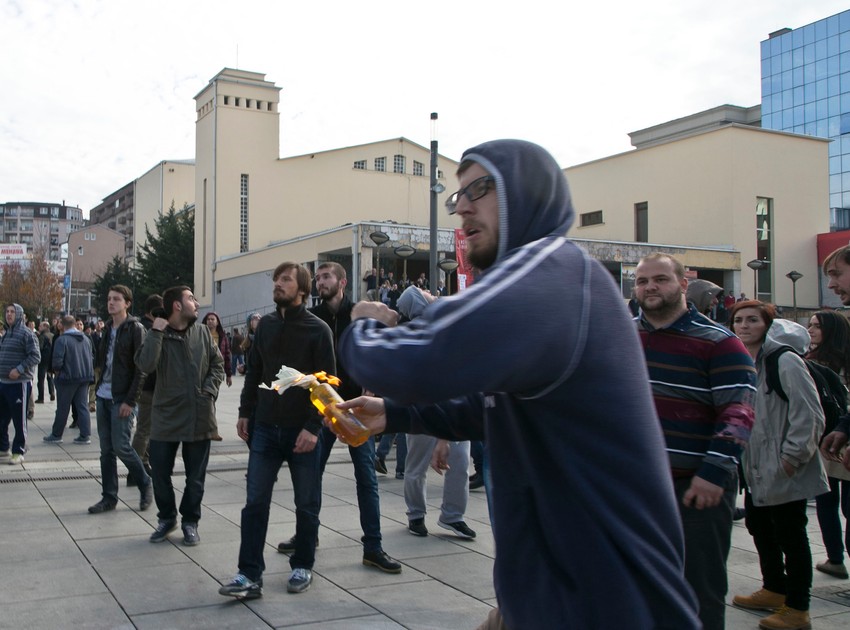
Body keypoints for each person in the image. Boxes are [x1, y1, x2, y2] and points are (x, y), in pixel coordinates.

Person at [335, 140, 699, 629]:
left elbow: (412, 360)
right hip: (561, 590)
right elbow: (491, 404)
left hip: (608, 597)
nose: (462, 205)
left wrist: (363, 323)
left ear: (527, 194)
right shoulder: (552, 278)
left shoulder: (550, 273)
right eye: (457, 196)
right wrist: (397, 413)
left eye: (479, 188)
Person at [634, 253, 756, 630]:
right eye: (642, 281)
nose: (650, 287)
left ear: (683, 284)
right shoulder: (622, 335)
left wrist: (713, 473)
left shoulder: (720, 343)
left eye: (660, 279)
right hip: (636, 488)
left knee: (699, 592)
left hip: (695, 489)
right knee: (638, 587)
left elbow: (739, 414)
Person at [274, 261, 401, 573]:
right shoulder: (313, 318)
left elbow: (387, 346)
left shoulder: (360, 312)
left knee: (366, 479)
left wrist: (375, 389)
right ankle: (308, 535)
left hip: (358, 408)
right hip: (325, 409)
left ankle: (373, 546)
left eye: (327, 277)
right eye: (317, 278)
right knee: (311, 475)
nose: (321, 282)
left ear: (342, 282)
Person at [219, 262, 334, 599]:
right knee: (254, 502)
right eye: (276, 280)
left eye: (286, 280)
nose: (278, 285)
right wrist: (244, 412)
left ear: (302, 289)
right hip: (266, 429)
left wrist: (314, 428)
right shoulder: (266, 326)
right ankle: (248, 574)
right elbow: (254, 372)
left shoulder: (318, 330)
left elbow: (326, 385)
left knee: (306, 503)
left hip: (303, 431)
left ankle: (303, 564)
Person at [729, 301, 828, 630]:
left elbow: (809, 414)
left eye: (752, 320)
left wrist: (790, 459)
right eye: (738, 320)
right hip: (756, 467)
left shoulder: (784, 361)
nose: (744, 326)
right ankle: (774, 588)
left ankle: (798, 608)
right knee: (761, 530)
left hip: (783, 466)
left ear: (767, 325)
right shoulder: (745, 362)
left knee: (792, 537)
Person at [136, 286, 224, 545]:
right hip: (166, 414)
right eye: (191, 299)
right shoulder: (157, 334)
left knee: (195, 477)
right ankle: (167, 518)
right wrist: (156, 332)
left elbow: (217, 364)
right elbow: (145, 364)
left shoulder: (202, 333)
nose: (197, 303)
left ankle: (190, 521)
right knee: (160, 472)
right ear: (176, 305)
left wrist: (208, 391)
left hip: (199, 413)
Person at [88, 285, 152, 515]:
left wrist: (130, 401)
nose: (111, 302)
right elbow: (104, 363)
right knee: (106, 451)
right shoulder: (107, 328)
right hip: (104, 396)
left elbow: (141, 369)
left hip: (122, 398)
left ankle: (145, 482)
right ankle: (109, 497)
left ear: (127, 303)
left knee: (122, 447)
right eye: (109, 299)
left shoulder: (136, 329)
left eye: (116, 299)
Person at [807, 310, 850, 579]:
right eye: (809, 325)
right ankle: (835, 557)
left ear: (831, 330)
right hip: (836, 435)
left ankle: (836, 558)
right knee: (835, 502)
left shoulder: (813, 362)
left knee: (829, 501)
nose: (810, 330)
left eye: (817, 326)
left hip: (831, 436)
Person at [43, 315, 94, 445]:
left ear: (62, 325)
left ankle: (56, 434)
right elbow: (91, 357)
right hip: (84, 377)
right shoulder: (85, 339)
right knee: (82, 406)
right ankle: (85, 435)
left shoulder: (62, 339)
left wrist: (57, 372)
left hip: (67, 378)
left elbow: (57, 361)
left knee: (62, 407)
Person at [128, 293, 162, 487]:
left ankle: (144, 463)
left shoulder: (142, 327)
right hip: (149, 386)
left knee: (148, 429)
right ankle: (136, 469)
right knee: (144, 430)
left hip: (148, 385)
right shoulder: (148, 329)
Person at [0, 303, 40, 465]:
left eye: (12, 312)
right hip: (3, 383)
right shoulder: (6, 334)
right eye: (7, 312)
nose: (9, 314)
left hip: (19, 384)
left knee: (19, 420)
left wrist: (19, 369)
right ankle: (3, 448)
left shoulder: (27, 334)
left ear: (19, 314)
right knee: (2, 418)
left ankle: (18, 451)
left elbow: (35, 356)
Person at [202, 312, 232, 388]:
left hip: (217, 370)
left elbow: (227, 356)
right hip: (202, 370)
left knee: (212, 392)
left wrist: (229, 375)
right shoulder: (200, 335)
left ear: (217, 322)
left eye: (212, 319)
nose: (210, 321)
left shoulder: (222, 337)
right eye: (208, 319)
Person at [35, 321, 55, 403]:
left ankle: (41, 397)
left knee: (41, 379)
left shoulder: (42, 336)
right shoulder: (53, 335)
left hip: (43, 360)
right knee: (50, 377)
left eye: (40, 326)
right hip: (51, 359)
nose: (39, 327)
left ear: (45, 327)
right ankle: (52, 392)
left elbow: (40, 348)